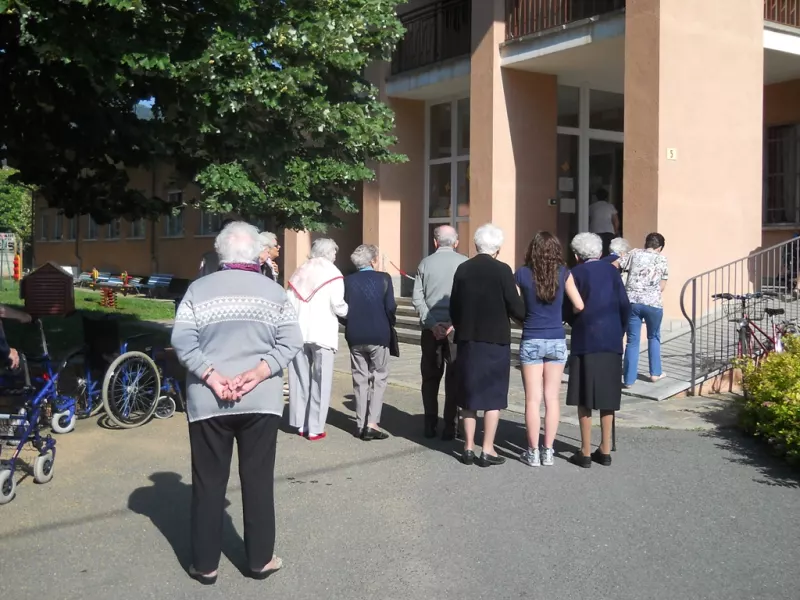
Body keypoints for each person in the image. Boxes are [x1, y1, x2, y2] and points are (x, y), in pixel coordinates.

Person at [171, 221, 303, 584]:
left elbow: (182, 340)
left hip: (208, 400)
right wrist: (259, 372)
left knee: (208, 482)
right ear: (256, 252)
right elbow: (292, 340)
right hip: (260, 400)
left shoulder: (198, 290)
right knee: (258, 479)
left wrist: (212, 376)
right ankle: (260, 559)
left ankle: (205, 564)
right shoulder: (273, 292)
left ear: (220, 253)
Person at [450, 223, 524, 467]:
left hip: (469, 339)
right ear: (498, 248)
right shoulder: (502, 270)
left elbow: (454, 307)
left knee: (468, 394)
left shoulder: (463, 268)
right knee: (493, 395)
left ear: (475, 245)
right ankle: (487, 448)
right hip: (495, 340)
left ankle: (468, 446)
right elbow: (514, 305)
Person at [515, 232, 584, 468]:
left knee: (532, 400)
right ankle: (548, 451)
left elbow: (515, 306)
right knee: (552, 398)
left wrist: (522, 321)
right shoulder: (564, 273)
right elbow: (579, 304)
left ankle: (532, 452)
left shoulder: (522, 273)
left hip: (532, 337)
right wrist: (562, 317)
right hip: (556, 338)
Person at [563, 232, 630, 468]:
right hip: (611, 339)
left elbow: (568, 308)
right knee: (608, 395)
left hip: (586, 338)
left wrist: (573, 322)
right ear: (600, 253)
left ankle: (585, 450)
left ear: (576, 255)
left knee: (585, 396)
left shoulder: (575, 273)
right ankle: (605, 447)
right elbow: (624, 305)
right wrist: (620, 331)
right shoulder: (612, 272)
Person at [287, 238, 348, 440]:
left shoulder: (299, 271)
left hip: (298, 331)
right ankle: (315, 427)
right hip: (322, 332)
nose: (335, 257)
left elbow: (288, 302)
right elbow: (338, 305)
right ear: (329, 253)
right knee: (321, 379)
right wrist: (350, 312)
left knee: (299, 377)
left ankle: (300, 423)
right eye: (335, 253)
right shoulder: (333, 273)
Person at [411, 225, 467, 440]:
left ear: (435, 242)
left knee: (430, 378)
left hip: (430, 330)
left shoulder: (425, 263)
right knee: (453, 378)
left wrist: (432, 323)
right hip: (455, 330)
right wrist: (452, 323)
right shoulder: (464, 263)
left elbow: (417, 298)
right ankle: (450, 426)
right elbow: (466, 298)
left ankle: (430, 424)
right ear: (456, 242)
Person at [342, 244, 396, 440]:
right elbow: (390, 307)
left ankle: (359, 424)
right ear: (373, 260)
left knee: (359, 379)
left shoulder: (347, 281)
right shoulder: (384, 278)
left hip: (355, 334)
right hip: (378, 334)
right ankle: (372, 423)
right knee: (379, 377)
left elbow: (343, 309)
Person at [621, 232, 669, 386]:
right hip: (653, 303)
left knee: (632, 341)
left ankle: (628, 380)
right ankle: (655, 373)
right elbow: (662, 286)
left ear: (646, 244)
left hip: (632, 302)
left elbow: (619, 264)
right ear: (660, 247)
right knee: (654, 337)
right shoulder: (662, 259)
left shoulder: (634, 254)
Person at [588, 188, 619, 257]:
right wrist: (615, 231)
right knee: (607, 251)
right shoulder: (610, 206)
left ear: (596, 196)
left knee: (596, 251)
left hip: (595, 231)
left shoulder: (592, 206)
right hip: (608, 231)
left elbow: (588, 219)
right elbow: (615, 220)